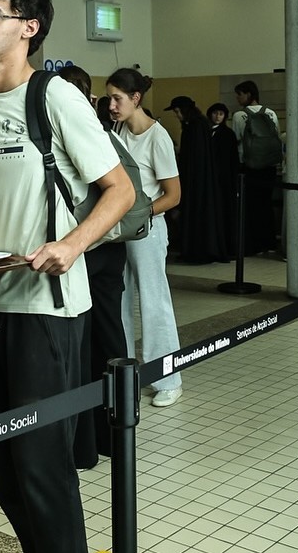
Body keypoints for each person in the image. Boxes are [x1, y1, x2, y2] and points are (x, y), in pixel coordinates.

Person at [0, 0, 133, 552]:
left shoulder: (54, 97)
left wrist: (71, 246)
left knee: (41, 466)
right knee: (3, 465)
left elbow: (121, 190)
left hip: (47, 308)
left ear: (29, 28)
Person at [55, 65, 130, 471]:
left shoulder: (72, 131)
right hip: (110, 247)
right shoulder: (103, 130)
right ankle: (116, 435)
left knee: (82, 346)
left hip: (84, 246)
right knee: (110, 337)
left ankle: (86, 444)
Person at [107, 68, 185, 408]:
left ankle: (168, 379)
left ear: (135, 98)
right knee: (119, 303)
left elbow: (173, 195)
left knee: (154, 302)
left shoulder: (158, 137)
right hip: (118, 230)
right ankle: (128, 376)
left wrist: (141, 213)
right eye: (109, 99)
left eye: (117, 99)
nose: (111, 105)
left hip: (148, 230)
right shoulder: (117, 132)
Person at [164, 95, 229, 264]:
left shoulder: (194, 127)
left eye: (177, 111)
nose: (177, 115)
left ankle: (196, 250)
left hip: (195, 180)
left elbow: (193, 158)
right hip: (200, 179)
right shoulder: (199, 124)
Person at [230, 80, 280, 255]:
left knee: (251, 207)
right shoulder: (271, 113)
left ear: (249, 94)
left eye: (240, 94)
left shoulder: (239, 116)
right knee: (267, 204)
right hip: (269, 166)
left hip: (249, 166)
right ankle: (270, 242)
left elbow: (236, 141)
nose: (237, 98)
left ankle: (255, 244)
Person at [207, 102, 240, 252]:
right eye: (215, 113)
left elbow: (232, 159)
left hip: (225, 179)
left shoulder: (228, 134)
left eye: (221, 114)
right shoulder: (207, 132)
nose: (217, 116)